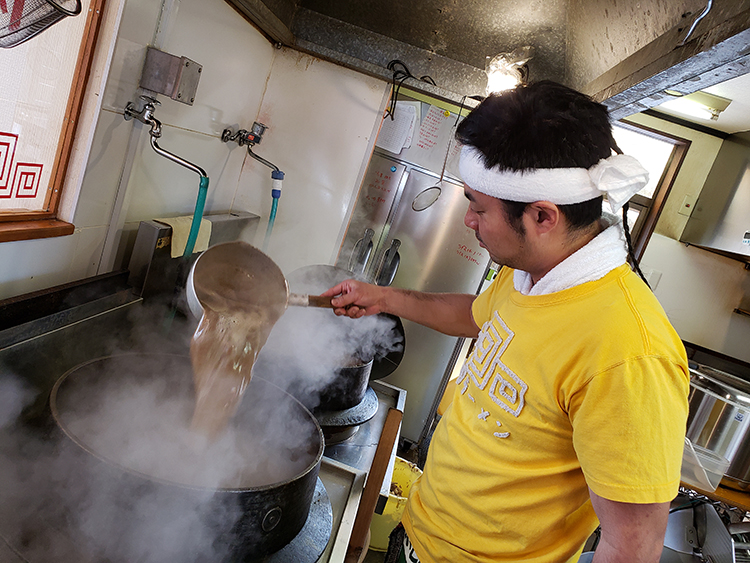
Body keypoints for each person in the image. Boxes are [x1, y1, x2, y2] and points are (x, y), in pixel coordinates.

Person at [322, 81, 689, 563]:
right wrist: (383, 297)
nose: (469, 222)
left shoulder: (628, 352)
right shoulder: (531, 275)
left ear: (542, 216)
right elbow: (474, 316)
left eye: (478, 207)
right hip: (420, 535)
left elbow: (632, 546)